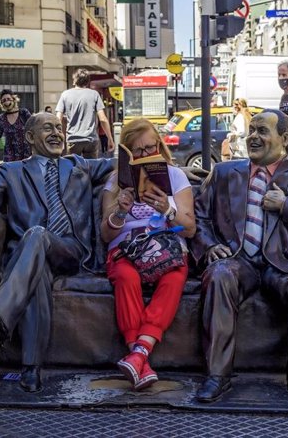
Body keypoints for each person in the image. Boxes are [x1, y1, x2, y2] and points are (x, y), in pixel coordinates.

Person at [190, 109, 288, 406]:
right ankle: (216, 376)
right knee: (219, 275)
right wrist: (208, 246)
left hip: (283, 262)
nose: (253, 137)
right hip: (238, 260)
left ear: (284, 138)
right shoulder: (223, 173)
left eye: (262, 131)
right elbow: (198, 215)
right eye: (252, 131)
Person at [0, 112, 114, 393]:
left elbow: (130, 165)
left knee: (37, 234)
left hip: (71, 251)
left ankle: (0, 316)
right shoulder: (12, 171)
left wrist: (172, 171)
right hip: (31, 256)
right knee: (37, 269)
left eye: (59, 128)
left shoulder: (79, 164)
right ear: (30, 138)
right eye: (48, 128)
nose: (57, 133)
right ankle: (31, 370)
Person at [100, 119, 196, 391]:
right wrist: (119, 211)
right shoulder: (114, 181)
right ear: (127, 154)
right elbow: (105, 234)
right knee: (125, 276)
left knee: (175, 275)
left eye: (150, 148)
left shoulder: (176, 177)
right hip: (126, 246)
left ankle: (138, 353)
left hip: (165, 245)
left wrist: (167, 208)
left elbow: (189, 228)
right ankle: (140, 355)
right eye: (138, 151)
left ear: (160, 146)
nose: (145, 156)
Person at [55, 68, 114, 158]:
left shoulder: (65, 95)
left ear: (74, 81)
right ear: (87, 82)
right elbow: (102, 119)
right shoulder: (94, 94)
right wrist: (110, 138)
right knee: (91, 168)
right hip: (90, 139)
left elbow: (58, 118)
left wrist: (59, 138)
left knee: (73, 169)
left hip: (73, 139)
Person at [0, 89, 32, 169]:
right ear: (1, 104)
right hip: (9, 158)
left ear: (14, 100)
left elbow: (34, 131)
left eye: (8, 99)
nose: (6, 102)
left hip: (26, 156)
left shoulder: (24, 113)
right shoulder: (1, 118)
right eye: (3, 100)